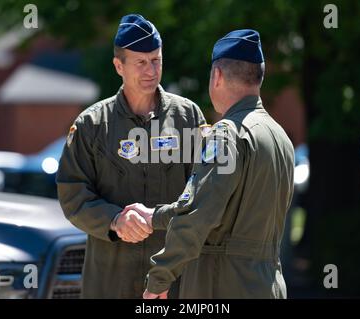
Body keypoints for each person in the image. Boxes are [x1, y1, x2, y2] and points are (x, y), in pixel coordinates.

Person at [124, 29, 295, 299]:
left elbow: (199, 214)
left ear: (217, 76)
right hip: (267, 284)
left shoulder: (227, 133)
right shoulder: (278, 135)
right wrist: (155, 216)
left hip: (223, 285)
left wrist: (160, 277)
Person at [56, 14, 206, 298]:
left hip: (174, 279)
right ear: (118, 66)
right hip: (110, 279)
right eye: (141, 62)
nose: (151, 70)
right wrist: (114, 220)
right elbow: (72, 194)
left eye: (156, 60)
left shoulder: (188, 117)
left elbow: (203, 193)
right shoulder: (92, 125)